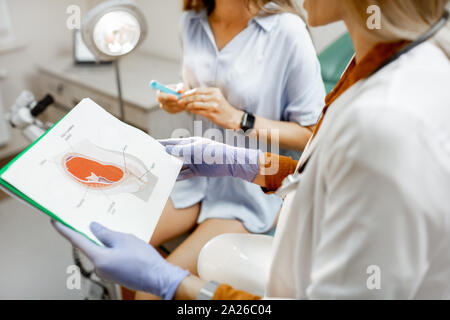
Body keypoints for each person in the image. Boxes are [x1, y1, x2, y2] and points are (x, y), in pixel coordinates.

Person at [54, 0, 450, 299]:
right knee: (112, 233)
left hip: (251, 210)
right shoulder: (375, 63)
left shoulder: (386, 122)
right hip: (220, 186)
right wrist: (247, 164)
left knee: (148, 291)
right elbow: (325, 167)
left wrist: (175, 286)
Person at [134, 0, 325, 299]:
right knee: (112, 242)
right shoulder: (192, 22)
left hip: (250, 186)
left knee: (149, 293)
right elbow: (197, 86)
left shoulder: (287, 31)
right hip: (195, 176)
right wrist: (176, 97)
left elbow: (313, 134)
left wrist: (240, 119)